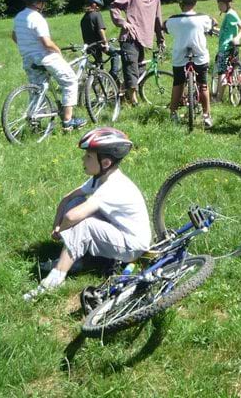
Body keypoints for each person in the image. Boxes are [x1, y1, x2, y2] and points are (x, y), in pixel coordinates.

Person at [23, 127, 151, 301]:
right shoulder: (100, 178)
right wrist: (56, 226)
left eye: (89, 156)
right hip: (118, 230)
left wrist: (61, 231)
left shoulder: (113, 186)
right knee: (75, 203)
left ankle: (55, 279)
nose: (83, 159)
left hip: (132, 246)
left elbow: (71, 218)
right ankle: (77, 260)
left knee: (83, 224)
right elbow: (67, 198)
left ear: (105, 163)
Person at [11, 0, 86, 130]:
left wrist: (28, 47)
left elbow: (14, 36)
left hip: (28, 58)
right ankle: (68, 121)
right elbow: (47, 43)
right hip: (45, 57)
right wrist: (57, 50)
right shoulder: (37, 18)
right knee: (70, 81)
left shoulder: (19, 16)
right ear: (39, 2)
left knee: (37, 90)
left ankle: (35, 122)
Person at [110, 0, 166, 106]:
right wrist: (122, 22)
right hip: (130, 38)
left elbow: (158, 20)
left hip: (144, 39)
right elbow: (114, 6)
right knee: (132, 69)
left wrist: (161, 39)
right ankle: (134, 101)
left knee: (140, 70)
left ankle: (124, 95)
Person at [163, 0, 216, 129]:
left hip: (180, 57)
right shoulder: (203, 18)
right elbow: (212, 24)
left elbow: (165, 27)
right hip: (200, 56)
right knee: (203, 85)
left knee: (178, 84)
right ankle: (206, 115)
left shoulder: (173, 20)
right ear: (195, 2)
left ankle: (173, 113)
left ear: (180, 3)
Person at [213, 0, 241, 102]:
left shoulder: (231, 14)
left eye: (219, 3)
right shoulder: (229, 15)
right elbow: (226, 32)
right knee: (232, 70)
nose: (218, 6)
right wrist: (214, 30)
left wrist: (237, 38)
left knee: (222, 72)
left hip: (225, 48)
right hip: (231, 47)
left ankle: (218, 98)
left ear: (225, 4)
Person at [80, 0, 120, 84]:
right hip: (99, 44)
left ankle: (97, 83)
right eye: (98, 6)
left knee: (99, 65)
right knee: (115, 54)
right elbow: (101, 30)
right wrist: (105, 44)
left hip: (89, 46)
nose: (99, 8)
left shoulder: (84, 18)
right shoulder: (96, 14)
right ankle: (113, 74)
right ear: (94, 4)